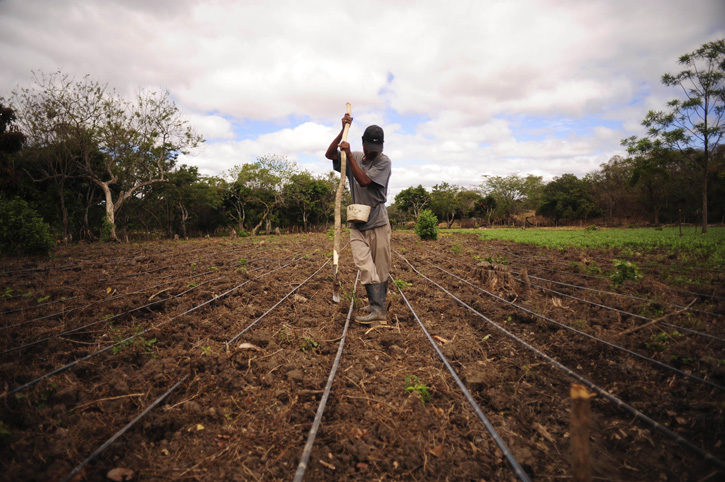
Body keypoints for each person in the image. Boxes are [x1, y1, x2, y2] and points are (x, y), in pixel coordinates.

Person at [325, 112, 391, 324]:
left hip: (378, 221)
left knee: (380, 268)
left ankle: (377, 309)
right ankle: (377, 308)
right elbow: (329, 155)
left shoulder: (384, 162)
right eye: (369, 149)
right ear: (362, 144)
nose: (372, 153)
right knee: (364, 264)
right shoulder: (354, 155)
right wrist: (342, 130)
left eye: (376, 150)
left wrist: (350, 156)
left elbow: (363, 180)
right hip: (357, 221)